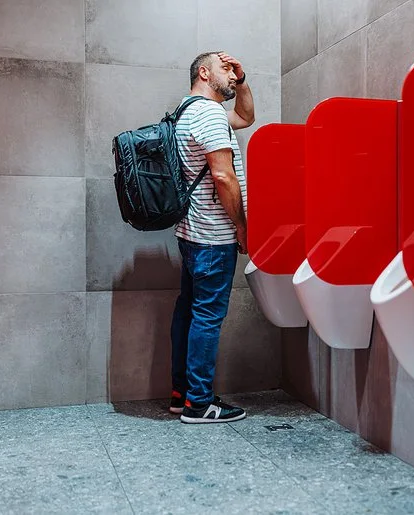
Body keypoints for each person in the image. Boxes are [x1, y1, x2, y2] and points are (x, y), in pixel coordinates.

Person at [169, 51, 254, 424]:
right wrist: (241, 224)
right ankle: (199, 403)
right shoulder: (207, 114)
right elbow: (223, 177)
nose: (231, 76)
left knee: (189, 311)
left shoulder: (188, 112)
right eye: (225, 69)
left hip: (191, 234)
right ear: (204, 73)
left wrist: (243, 76)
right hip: (213, 236)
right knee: (206, 317)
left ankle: (182, 394)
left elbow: (247, 117)